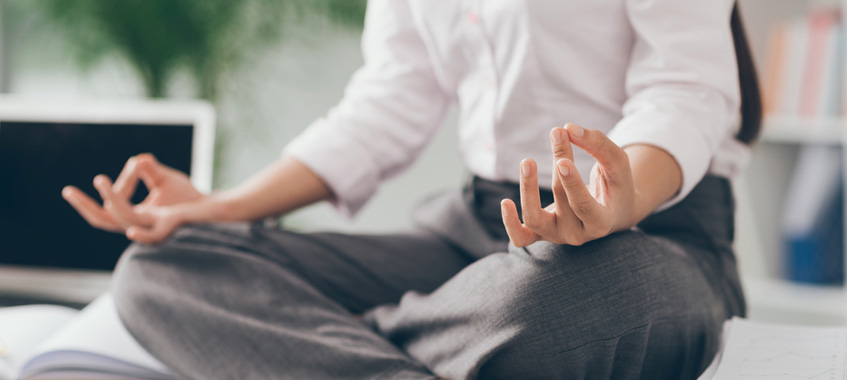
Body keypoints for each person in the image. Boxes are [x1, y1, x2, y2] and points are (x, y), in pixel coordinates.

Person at [61, 0, 761, 378]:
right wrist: (223, 207)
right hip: (473, 228)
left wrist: (621, 196)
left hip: (645, 231)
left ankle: (325, 343)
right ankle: (431, 343)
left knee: (547, 305)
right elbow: (391, 97)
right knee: (165, 269)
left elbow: (687, 89)